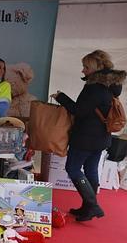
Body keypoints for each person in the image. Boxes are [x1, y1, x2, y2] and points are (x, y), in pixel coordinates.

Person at [52, 50, 125, 221]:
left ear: (97, 68)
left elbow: (79, 111)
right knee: (91, 169)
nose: (83, 71)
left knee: (73, 168)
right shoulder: (112, 87)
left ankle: (92, 205)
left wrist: (61, 97)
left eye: (86, 67)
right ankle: (87, 208)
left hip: (85, 137)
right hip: (101, 138)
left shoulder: (93, 88)